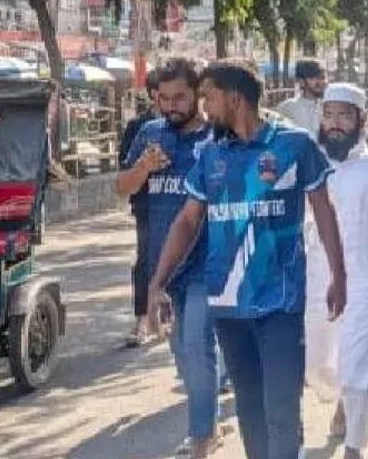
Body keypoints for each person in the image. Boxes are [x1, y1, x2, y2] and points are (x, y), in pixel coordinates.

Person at [147, 59, 348, 459]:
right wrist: (157, 282)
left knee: (281, 410)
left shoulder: (294, 146)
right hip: (228, 305)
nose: (204, 108)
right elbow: (188, 221)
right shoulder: (210, 155)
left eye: (209, 97)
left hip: (281, 303)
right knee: (250, 408)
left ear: (235, 98)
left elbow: (324, 211)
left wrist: (338, 275)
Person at [116, 60, 220, 457]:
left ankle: (202, 436)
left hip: (206, 263)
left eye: (180, 97)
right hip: (163, 265)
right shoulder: (150, 133)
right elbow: (120, 188)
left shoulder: (216, 138)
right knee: (181, 352)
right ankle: (209, 414)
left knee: (197, 345)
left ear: (197, 94)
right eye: (164, 99)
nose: (172, 106)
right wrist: (143, 167)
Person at [305, 83, 368, 459]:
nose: (334, 124)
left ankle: (354, 446)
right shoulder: (310, 163)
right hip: (318, 277)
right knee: (318, 363)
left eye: (344, 116)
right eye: (328, 115)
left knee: (357, 365)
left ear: (361, 121)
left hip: (367, 280)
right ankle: (342, 401)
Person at [120, 69, 160, 347]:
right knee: (146, 260)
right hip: (147, 203)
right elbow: (123, 169)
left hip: (182, 204)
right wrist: (145, 166)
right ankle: (142, 320)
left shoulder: (193, 126)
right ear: (155, 95)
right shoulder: (139, 127)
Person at [276, 57, 327, 135]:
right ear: (301, 81)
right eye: (313, 77)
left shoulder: (331, 107)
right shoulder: (287, 108)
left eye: (322, 77)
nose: (320, 82)